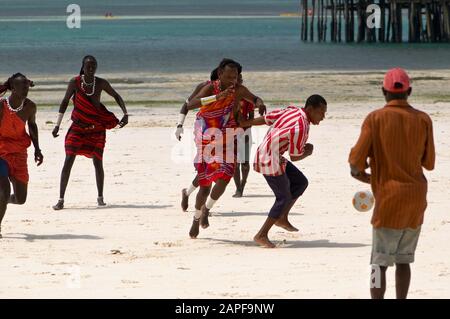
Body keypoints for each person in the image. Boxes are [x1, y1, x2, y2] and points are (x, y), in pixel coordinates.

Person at [348, 68, 435, 299]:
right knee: (404, 260)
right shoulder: (424, 119)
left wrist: (364, 175)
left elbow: (356, 162)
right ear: (410, 91)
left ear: (384, 92)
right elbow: (429, 163)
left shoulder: (375, 118)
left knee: (378, 262)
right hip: (416, 199)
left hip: (388, 199)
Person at [186, 58, 266, 238]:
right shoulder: (210, 88)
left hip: (228, 138)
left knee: (224, 178)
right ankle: (196, 218)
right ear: (220, 74)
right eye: (228, 76)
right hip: (207, 136)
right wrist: (216, 97)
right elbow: (190, 105)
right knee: (205, 186)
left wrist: (260, 104)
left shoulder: (239, 90)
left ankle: (207, 209)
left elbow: (254, 98)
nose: (232, 80)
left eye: (235, 77)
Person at [239, 95, 327, 248]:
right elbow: (295, 155)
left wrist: (246, 123)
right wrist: (308, 151)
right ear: (311, 109)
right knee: (283, 197)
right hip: (269, 158)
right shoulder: (302, 126)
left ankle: (282, 217)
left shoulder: (292, 110)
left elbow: (267, 119)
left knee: (300, 182)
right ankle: (261, 234)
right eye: (321, 112)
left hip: (271, 154)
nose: (323, 117)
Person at [52, 55, 128, 210]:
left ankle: (100, 197)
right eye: (88, 66)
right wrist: (57, 125)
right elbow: (65, 101)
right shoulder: (75, 82)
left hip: (96, 130)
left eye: (94, 66)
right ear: (83, 67)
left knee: (98, 162)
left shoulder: (101, 83)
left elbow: (116, 96)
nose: (91, 68)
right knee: (68, 160)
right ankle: (61, 200)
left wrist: (125, 114)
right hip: (78, 128)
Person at [0, 73, 43, 238]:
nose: (25, 89)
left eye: (26, 86)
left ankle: (2, 202)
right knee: (4, 189)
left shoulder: (30, 107)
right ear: (13, 88)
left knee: (20, 199)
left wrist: (37, 149)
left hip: (19, 154)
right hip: (1, 151)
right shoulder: (2, 106)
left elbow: (32, 127)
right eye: (21, 86)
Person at [232, 73, 254, 198]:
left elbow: (251, 118)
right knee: (234, 163)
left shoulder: (247, 99)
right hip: (231, 132)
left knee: (245, 162)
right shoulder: (228, 96)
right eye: (235, 79)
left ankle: (243, 185)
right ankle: (238, 188)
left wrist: (244, 126)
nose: (237, 82)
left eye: (239, 80)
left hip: (245, 132)